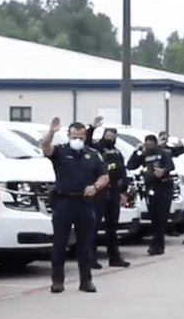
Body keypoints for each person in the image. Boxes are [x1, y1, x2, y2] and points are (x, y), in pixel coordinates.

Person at [41, 117, 108, 293]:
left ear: (85, 136)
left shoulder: (93, 154)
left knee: (85, 244)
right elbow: (45, 147)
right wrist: (51, 132)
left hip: (85, 203)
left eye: (80, 137)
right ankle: (57, 281)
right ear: (68, 135)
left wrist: (95, 186)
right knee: (59, 243)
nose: (77, 140)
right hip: (64, 201)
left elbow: (104, 176)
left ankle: (86, 281)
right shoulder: (61, 152)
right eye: (74, 136)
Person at [86, 117, 131, 269]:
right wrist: (92, 128)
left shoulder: (117, 152)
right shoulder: (96, 149)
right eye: (108, 135)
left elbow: (122, 172)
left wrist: (124, 190)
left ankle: (114, 258)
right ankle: (91, 258)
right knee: (94, 226)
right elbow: (87, 143)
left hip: (113, 193)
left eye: (113, 135)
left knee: (112, 227)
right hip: (99, 192)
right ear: (103, 135)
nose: (110, 137)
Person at [127, 133, 175, 256]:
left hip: (164, 187)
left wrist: (163, 171)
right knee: (154, 218)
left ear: (155, 143)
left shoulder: (163, 153)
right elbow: (131, 165)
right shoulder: (144, 155)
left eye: (151, 144)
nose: (149, 146)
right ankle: (157, 245)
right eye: (146, 144)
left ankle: (157, 245)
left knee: (161, 218)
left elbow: (170, 167)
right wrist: (136, 151)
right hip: (150, 188)